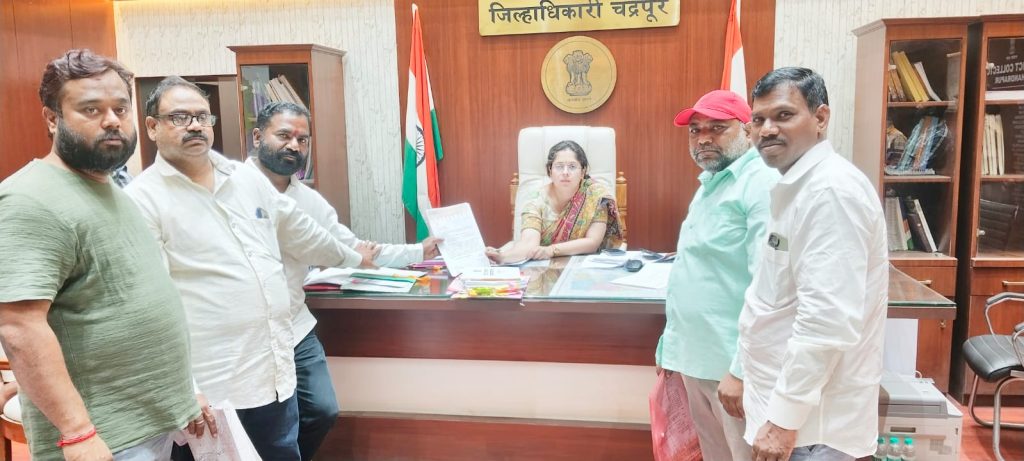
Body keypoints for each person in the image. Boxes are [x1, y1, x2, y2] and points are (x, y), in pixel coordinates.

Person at [125, 76, 379, 460]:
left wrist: (355, 257)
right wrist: (185, 388)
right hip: (213, 387)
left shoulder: (244, 178)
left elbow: (301, 230)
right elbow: (151, 308)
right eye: (179, 117)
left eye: (202, 116)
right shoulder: (142, 199)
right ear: (152, 126)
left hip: (272, 375)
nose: (194, 125)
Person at [0, 49, 202, 460]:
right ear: (52, 119)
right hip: (105, 438)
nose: (111, 120)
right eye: (91, 109)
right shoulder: (28, 199)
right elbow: (19, 327)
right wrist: (77, 434)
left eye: (120, 108)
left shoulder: (110, 189)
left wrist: (182, 397)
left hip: (148, 425)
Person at [247, 101, 441, 460]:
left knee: (322, 410)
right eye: (284, 135)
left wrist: (419, 250)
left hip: (293, 326)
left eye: (303, 139)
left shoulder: (309, 201)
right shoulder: (229, 189)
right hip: (246, 332)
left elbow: (353, 249)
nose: (294, 146)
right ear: (258, 136)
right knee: (264, 425)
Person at [738, 67, 888, 461]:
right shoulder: (797, 185)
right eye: (758, 119)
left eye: (784, 115)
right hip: (792, 417)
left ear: (820, 118)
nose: (767, 130)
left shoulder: (830, 192)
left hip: (813, 429)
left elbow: (826, 320)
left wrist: (783, 420)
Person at [655, 90, 779, 460]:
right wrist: (669, 346)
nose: (703, 138)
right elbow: (695, 270)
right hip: (698, 360)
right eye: (695, 130)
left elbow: (769, 287)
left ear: (748, 130)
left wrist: (740, 371)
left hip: (733, 371)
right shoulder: (712, 182)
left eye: (717, 128)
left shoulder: (760, 184)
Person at [486, 140, 624, 263]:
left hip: (588, 266)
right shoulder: (535, 200)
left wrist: (551, 250)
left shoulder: (596, 195)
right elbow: (529, 243)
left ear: (583, 172)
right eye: (559, 166)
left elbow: (593, 242)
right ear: (550, 171)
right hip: (543, 268)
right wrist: (503, 257)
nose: (565, 172)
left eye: (572, 166)